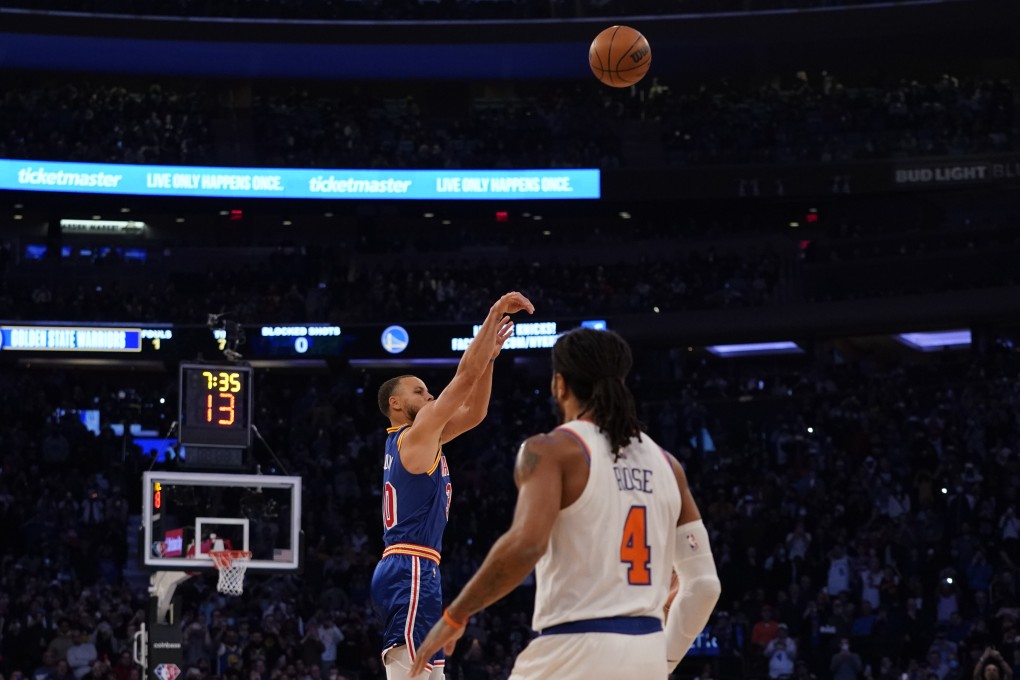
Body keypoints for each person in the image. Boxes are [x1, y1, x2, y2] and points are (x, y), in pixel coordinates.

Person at [409, 327, 721, 678]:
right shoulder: (669, 465)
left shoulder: (551, 450)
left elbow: (526, 545)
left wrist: (456, 614)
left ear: (559, 384)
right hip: (645, 651)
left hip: (573, 649)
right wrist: (661, 662)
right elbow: (704, 585)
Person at [371, 291, 535, 680]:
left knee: (430, 675)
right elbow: (464, 379)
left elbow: (475, 412)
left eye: (429, 391)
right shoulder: (414, 435)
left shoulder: (427, 439)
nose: (429, 396)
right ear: (395, 404)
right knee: (411, 674)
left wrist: (491, 358)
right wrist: (493, 315)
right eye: (419, 391)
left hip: (420, 567)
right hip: (408, 566)